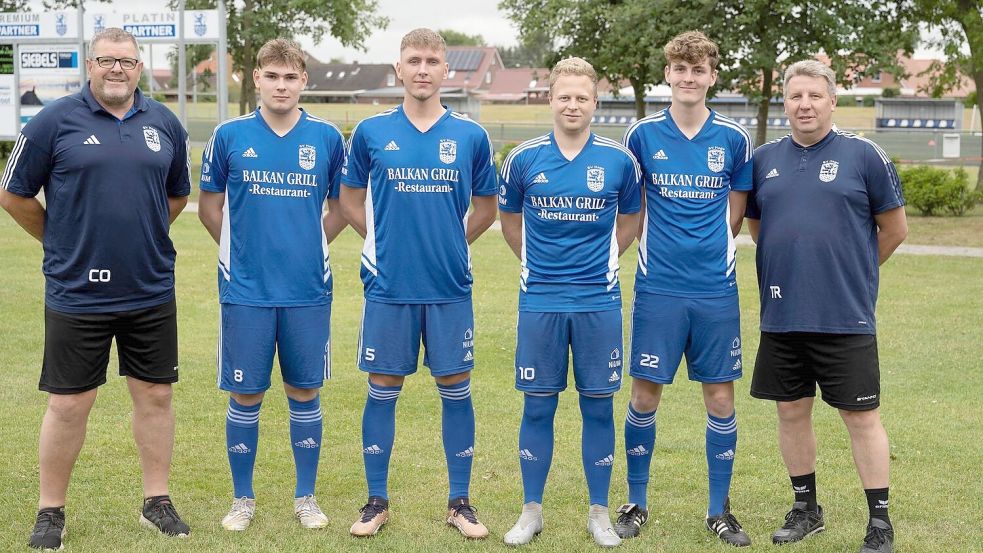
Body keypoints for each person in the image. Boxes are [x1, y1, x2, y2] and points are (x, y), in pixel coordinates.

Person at [0, 28, 191, 550]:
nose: (117, 70)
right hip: (78, 293)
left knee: (154, 395)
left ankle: (157, 500)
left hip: (149, 288)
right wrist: (61, 242)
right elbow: (14, 196)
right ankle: (50, 511)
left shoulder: (165, 123)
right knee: (68, 405)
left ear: (139, 68)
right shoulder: (53, 121)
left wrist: (143, 234)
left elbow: (175, 195)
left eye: (127, 62)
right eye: (107, 60)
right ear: (90, 65)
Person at [339, 28, 499, 539]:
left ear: (445, 71)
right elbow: (347, 198)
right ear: (399, 70)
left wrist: (453, 241)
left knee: (455, 386)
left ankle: (460, 503)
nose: (423, 68)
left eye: (432, 60)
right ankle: (375, 501)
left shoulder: (470, 136)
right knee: (383, 387)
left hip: (449, 285)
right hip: (390, 287)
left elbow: (487, 208)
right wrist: (380, 242)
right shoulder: (369, 132)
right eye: (414, 60)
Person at [745, 59, 907, 553]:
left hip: (845, 315)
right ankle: (805, 509)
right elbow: (759, 228)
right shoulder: (763, 159)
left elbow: (895, 229)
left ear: (832, 100)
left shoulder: (865, 156)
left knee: (861, 418)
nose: (805, 104)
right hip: (783, 315)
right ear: (785, 103)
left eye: (815, 96)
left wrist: (853, 273)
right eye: (795, 96)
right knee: (791, 412)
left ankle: (879, 520)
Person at [197, 38, 347, 532]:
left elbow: (342, 206)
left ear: (304, 81)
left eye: (291, 77)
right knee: (246, 396)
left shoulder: (326, 138)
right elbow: (210, 206)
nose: (281, 85)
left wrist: (308, 242)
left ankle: (306, 497)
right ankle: (243, 499)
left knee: (304, 392)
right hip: (246, 291)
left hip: (307, 289)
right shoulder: (228, 135)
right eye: (272, 76)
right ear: (255, 79)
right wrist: (241, 251)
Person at [616, 31, 753, 546]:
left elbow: (734, 218)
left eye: (699, 70)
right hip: (658, 288)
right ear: (668, 75)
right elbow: (633, 207)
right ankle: (636, 503)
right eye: (681, 69)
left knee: (719, 397)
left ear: (712, 77)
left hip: (716, 290)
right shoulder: (642, 136)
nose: (689, 78)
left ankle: (718, 511)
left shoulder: (734, 140)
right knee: (645, 394)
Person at [498, 57, 641, 547]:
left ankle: (599, 512)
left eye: (583, 96)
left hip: (598, 301)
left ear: (595, 102)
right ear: (550, 99)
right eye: (565, 96)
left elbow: (630, 220)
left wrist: (606, 259)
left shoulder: (619, 161)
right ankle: (531, 510)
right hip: (540, 299)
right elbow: (509, 220)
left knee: (598, 406)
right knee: (538, 405)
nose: (573, 104)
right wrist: (532, 262)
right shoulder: (524, 159)